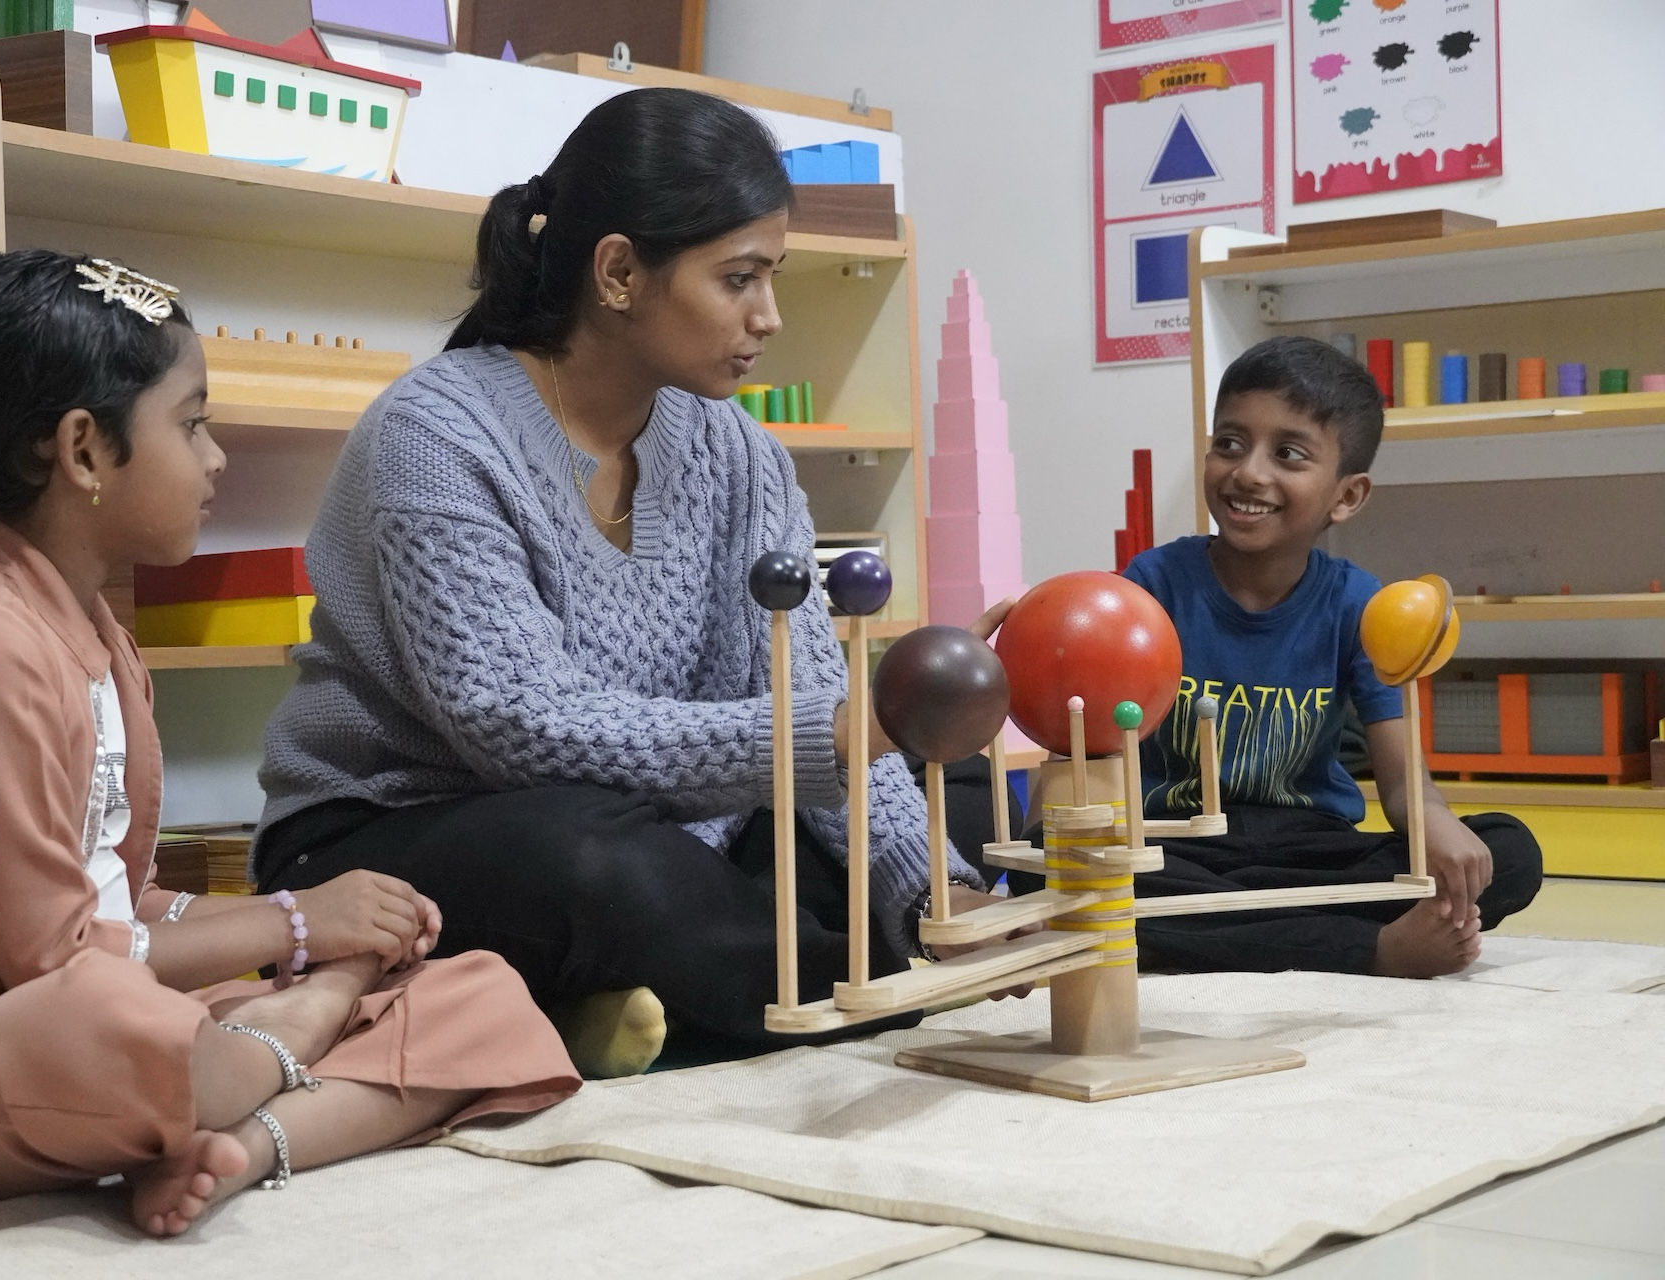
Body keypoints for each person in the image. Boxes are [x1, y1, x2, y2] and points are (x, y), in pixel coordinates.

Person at [0, 250, 578, 1232]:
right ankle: (299, 1032)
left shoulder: (100, 638)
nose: (215, 457)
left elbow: (120, 895)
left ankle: (240, 1144)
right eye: (191, 422)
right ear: (81, 451)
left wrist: (291, 923)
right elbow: (50, 956)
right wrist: (304, 940)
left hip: (112, 1017)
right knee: (112, 1022)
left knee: (483, 989)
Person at [253, 88, 1025, 1075]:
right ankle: (850, 988)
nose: (770, 315)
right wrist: (828, 731)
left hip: (666, 829)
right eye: (738, 278)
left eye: (772, 276)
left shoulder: (743, 458)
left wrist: (935, 893)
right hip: (401, 835)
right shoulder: (436, 435)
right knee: (595, 858)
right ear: (618, 272)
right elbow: (520, 728)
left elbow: (813, 714)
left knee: (931, 786)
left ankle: (650, 998)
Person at [1078, 335, 1540, 977]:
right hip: (1177, 848)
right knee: (1070, 873)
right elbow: (1096, 743)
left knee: (1507, 851)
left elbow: (1405, 781)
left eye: (1288, 454)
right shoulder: (1151, 585)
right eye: (1229, 443)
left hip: (1311, 852)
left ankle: (1240, 933)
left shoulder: (1359, 603)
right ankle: (1360, 948)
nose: (1249, 472)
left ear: (1346, 496)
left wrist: (1434, 821)